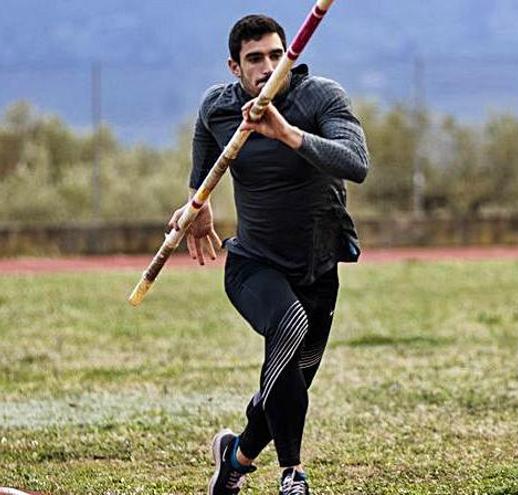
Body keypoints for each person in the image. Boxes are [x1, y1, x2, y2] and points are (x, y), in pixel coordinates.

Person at [167, 14, 369, 495]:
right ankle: (292, 474)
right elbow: (203, 170)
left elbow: (357, 163)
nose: (267, 66)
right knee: (289, 327)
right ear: (235, 67)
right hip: (253, 264)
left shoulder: (320, 97)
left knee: (289, 378)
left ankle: (234, 457)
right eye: (254, 59)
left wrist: (287, 134)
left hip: (319, 267)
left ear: (289, 57)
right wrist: (198, 206)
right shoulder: (218, 109)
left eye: (276, 56)